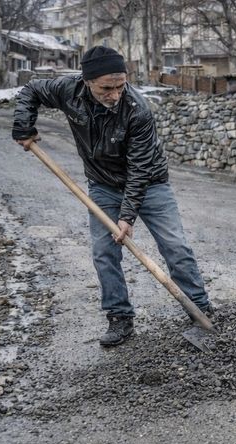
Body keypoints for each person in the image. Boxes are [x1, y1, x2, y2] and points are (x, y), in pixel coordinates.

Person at [12, 46, 212, 347]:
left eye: (120, 86)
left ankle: (200, 308)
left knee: (174, 245)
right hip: (102, 184)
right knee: (104, 251)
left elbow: (140, 168)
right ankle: (120, 318)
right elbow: (31, 90)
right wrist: (24, 126)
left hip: (150, 181)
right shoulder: (67, 90)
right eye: (107, 88)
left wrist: (127, 217)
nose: (115, 94)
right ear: (87, 81)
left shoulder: (137, 109)